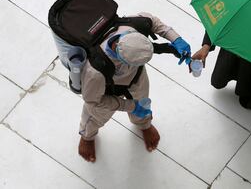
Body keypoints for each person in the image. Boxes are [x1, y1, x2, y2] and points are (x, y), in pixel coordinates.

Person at [75, 12, 191, 162]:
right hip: (107, 90)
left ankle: (143, 123)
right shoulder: (95, 71)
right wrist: (129, 106)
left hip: (137, 77)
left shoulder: (135, 25)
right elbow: (93, 102)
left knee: (143, 101)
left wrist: (176, 39)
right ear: (123, 59)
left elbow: (153, 21)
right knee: (96, 116)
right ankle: (87, 136)